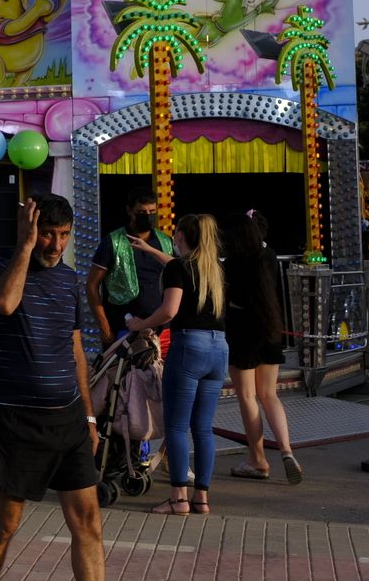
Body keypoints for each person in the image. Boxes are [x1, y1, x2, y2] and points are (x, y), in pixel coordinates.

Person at [0, 195, 126, 581]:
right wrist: (25, 247)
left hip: (68, 418)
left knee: (88, 521)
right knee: (6, 524)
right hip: (17, 420)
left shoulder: (71, 280)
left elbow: (74, 350)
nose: (56, 244)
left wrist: (89, 414)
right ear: (31, 229)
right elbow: (6, 304)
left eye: (63, 235)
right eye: (48, 234)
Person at [127, 215, 226, 516]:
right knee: (203, 428)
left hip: (189, 347)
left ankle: (178, 498)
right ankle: (202, 498)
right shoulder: (214, 270)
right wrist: (150, 250)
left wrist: (139, 323)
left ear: (180, 236)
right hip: (219, 348)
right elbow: (177, 265)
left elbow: (169, 310)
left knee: (176, 426)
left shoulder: (177, 268)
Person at [219, 213, 302, 485]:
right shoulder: (269, 257)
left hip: (242, 330)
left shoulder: (233, 262)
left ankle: (257, 459)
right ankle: (287, 451)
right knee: (270, 395)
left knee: (247, 396)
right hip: (270, 326)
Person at [86, 187, 174, 342]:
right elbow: (92, 285)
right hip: (125, 328)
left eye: (152, 212)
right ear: (129, 211)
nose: (147, 217)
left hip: (163, 330)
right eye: (141, 213)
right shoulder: (112, 241)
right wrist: (105, 329)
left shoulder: (166, 242)